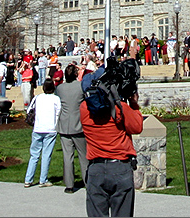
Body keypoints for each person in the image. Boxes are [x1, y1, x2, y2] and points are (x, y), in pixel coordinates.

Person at [79, 44, 144, 217]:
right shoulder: (120, 108)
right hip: (119, 168)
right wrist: (134, 102)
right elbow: (137, 126)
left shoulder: (84, 109)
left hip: (95, 169)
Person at [55, 64, 88, 194]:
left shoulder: (60, 88)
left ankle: (69, 185)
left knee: (67, 156)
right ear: (75, 74)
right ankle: (87, 182)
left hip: (64, 124)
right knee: (83, 156)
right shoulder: (80, 87)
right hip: (78, 124)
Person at [24, 78, 62, 187]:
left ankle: (28, 179)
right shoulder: (56, 99)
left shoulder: (38, 97)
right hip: (50, 129)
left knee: (34, 155)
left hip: (38, 128)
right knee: (46, 155)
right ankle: (43, 179)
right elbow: (58, 113)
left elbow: (29, 110)